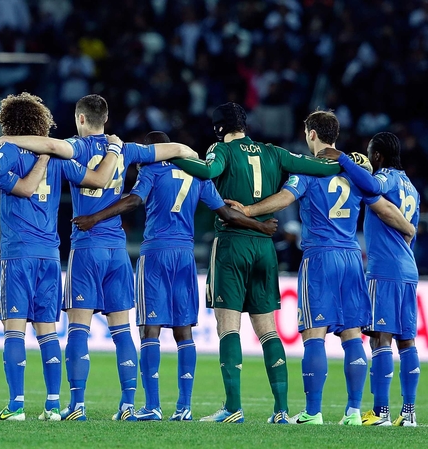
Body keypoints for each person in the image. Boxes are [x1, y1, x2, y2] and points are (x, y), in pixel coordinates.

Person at [0, 94, 199, 421]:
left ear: (81, 119)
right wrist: (189, 153)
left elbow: (53, 147)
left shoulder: (78, 147)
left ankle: (76, 404)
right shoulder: (127, 149)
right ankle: (128, 404)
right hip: (117, 248)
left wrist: (8, 139)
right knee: (122, 330)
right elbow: (172, 150)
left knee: (78, 328)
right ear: (107, 117)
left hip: (86, 246)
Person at [71, 130, 278, 421]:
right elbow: (228, 215)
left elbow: (133, 201)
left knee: (150, 330)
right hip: (185, 256)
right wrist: (260, 227)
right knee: (184, 332)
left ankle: (153, 406)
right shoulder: (197, 174)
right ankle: (184, 408)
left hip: (156, 253)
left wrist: (94, 217)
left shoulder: (153, 169)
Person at [0, 93, 123, 421]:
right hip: (50, 255)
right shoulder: (57, 156)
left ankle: (16, 405)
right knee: (47, 330)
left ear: (8, 123)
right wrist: (112, 149)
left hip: (19, 253)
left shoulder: (8, 150)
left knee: (14, 329)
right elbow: (97, 179)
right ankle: (53, 405)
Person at [227, 111, 414, 425]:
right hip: (353, 258)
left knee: (314, 333)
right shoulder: (354, 171)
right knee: (353, 333)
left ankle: (313, 412)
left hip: (320, 257)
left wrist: (248, 209)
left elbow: (284, 198)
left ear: (311, 134)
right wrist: (408, 227)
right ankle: (353, 412)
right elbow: (384, 208)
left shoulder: (308, 169)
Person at [172, 102, 341, 424]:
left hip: (233, 243)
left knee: (228, 327)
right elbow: (325, 168)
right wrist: (343, 161)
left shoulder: (221, 150)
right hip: (265, 248)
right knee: (268, 331)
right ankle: (281, 410)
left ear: (219, 128)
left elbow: (208, 172)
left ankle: (233, 407)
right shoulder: (274, 152)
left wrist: (172, 156)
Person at [318, 132, 421, 427]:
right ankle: (410, 413)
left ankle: (380, 413)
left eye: (369, 154)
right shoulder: (411, 187)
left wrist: (343, 160)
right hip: (408, 268)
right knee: (407, 341)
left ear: (377, 156)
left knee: (380, 338)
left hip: (384, 269)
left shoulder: (386, 177)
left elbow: (373, 185)